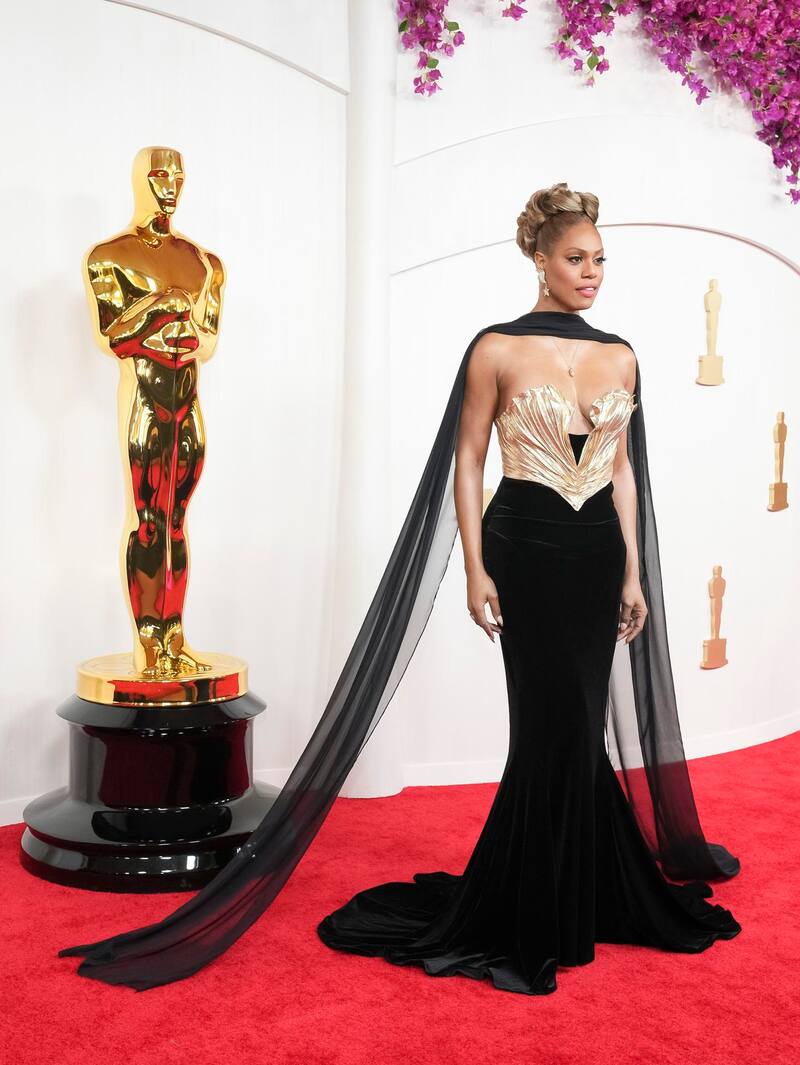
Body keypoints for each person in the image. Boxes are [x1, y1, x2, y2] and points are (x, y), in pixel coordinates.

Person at [60, 182, 741, 992]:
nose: (591, 272)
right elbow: (468, 459)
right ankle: (536, 898)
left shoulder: (622, 354)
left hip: (596, 554)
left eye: (599, 259)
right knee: (547, 724)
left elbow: (624, 470)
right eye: (575, 258)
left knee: (579, 717)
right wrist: (476, 568)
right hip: (523, 549)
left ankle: (578, 886)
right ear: (538, 258)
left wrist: (632, 570)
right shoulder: (495, 348)